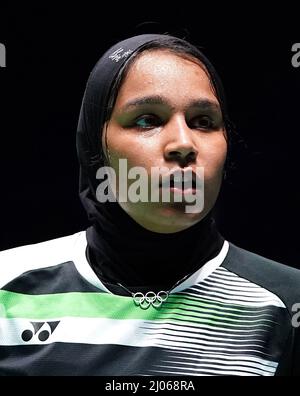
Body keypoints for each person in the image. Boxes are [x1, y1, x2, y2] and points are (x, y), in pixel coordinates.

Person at [0, 33, 299, 377]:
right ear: (96, 149)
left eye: (204, 122)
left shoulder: (283, 305)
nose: (183, 144)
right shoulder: (7, 288)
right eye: (147, 120)